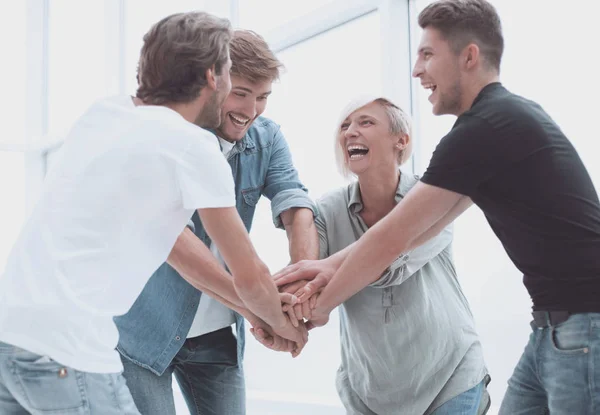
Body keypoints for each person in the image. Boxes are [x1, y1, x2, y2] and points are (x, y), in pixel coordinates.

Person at [275, 0, 600, 413]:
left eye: (428, 54)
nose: (416, 70)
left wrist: (318, 309)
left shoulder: (484, 129)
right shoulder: (501, 122)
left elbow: (393, 238)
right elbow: (416, 229)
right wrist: (324, 267)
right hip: (553, 328)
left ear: (469, 57)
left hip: (585, 327)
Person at [0, 12, 306, 415]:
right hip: (68, 351)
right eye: (232, 77)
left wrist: (261, 313)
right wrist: (287, 327)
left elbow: (184, 256)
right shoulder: (191, 148)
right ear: (213, 77)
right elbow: (248, 276)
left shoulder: (104, 114)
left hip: (10, 336)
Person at [115, 29, 318, 415]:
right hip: (142, 328)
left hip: (217, 336)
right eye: (241, 93)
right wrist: (264, 311)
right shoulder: (171, 140)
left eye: (262, 97)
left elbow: (296, 205)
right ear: (213, 81)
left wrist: (301, 286)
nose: (252, 110)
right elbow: (178, 245)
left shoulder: (267, 137)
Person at [273, 95, 488, 414]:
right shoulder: (328, 209)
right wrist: (289, 304)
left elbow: (389, 263)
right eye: (345, 126)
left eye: (365, 122)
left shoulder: (431, 196)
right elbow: (304, 279)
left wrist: (322, 304)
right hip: (369, 393)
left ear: (401, 140)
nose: (349, 132)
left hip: (449, 378)